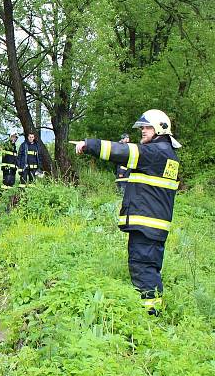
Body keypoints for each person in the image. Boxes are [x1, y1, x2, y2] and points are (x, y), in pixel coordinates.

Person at [75, 109, 181, 315]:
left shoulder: (156, 152)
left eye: (147, 127)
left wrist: (89, 145)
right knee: (148, 268)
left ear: (161, 128)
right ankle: (152, 311)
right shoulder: (166, 155)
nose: (143, 130)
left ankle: (151, 316)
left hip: (147, 224)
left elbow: (121, 152)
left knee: (144, 269)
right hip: (153, 224)